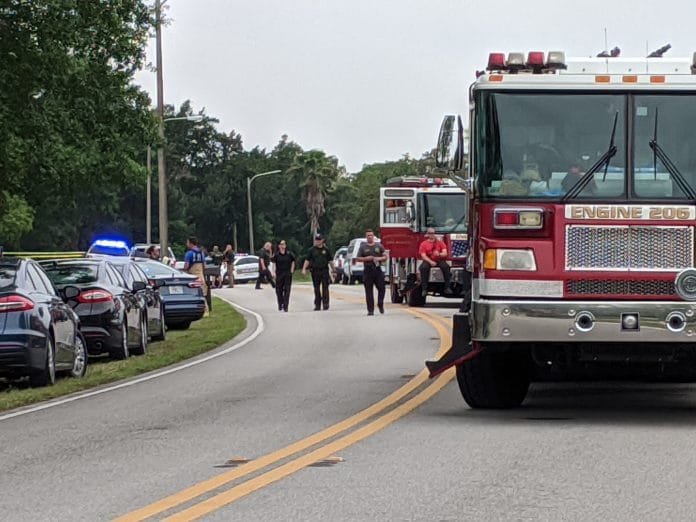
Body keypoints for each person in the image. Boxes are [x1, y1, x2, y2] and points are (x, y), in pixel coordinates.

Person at [355, 229, 387, 315]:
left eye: (371, 235)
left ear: (373, 236)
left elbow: (385, 257)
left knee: (382, 288)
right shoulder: (363, 247)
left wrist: (378, 258)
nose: (370, 237)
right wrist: (366, 258)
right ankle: (370, 310)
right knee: (369, 291)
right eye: (368, 235)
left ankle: (380, 303)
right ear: (366, 237)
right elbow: (358, 258)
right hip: (368, 270)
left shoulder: (379, 246)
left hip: (377, 269)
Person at [302, 233, 333, 311]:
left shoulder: (326, 250)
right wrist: (304, 269)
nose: (317, 241)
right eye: (316, 240)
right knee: (316, 288)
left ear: (322, 240)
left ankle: (326, 303)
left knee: (325, 287)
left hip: (324, 270)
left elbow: (330, 261)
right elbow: (307, 260)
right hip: (315, 271)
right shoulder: (311, 250)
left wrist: (334, 270)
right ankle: (317, 304)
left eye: (319, 240)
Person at [418, 227, 452, 297]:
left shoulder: (440, 243)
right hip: (428, 260)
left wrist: (439, 254)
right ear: (427, 234)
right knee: (423, 268)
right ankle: (424, 289)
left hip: (439, 259)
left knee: (446, 267)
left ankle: (447, 287)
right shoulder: (423, 244)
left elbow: (445, 253)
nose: (432, 235)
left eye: (433, 233)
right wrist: (430, 262)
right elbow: (423, 255)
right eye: (430, 233)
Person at [184, 236, 209, 314]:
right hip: (201, 276)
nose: (187, 244)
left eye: (187, 242)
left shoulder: (189, 253)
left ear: (191, 243)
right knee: (203, 294)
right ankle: (205, 310)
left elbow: (186, 266)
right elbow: (204, 266)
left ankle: (194, 310)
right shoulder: (201, 253)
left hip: (192, 277)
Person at [271, 239, 296, 312]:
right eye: (281, 244)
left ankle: (286, 306)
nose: (283, 246)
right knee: (279, 290)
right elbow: (274, 264)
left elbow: (293, 262)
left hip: (287, 273)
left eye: (284, 244)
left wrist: (291, 270)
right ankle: (280, 303)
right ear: (279, 246)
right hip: (279, 274)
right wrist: (273, 272)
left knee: (287, 290)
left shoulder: (289, 254)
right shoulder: (276, 255)